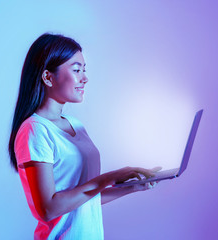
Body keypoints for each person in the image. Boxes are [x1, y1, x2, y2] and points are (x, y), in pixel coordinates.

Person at [8, 33, 161, 240]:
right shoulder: (35, 130)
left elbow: (84, 201)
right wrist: (110, 177)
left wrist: (132, 186)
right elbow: (49, 208)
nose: (84, 78)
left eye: (84, 70)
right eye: (77, 70)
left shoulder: (75, 125)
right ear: (47, 77)